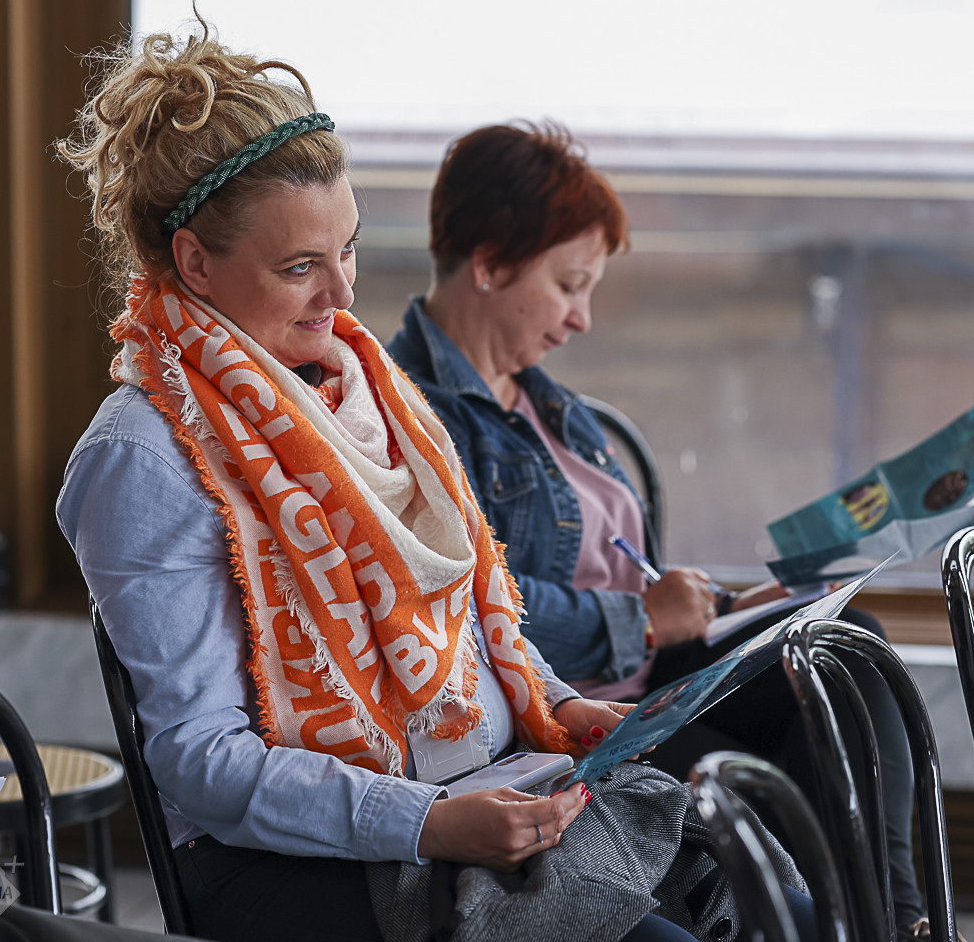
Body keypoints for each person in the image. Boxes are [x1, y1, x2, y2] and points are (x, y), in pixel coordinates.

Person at [53, 20, 812, 942]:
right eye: (300, 267)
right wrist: (428, 823)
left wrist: (556, 702)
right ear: (194, 263)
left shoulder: (365, 391)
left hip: (466, 788)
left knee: (779, 902)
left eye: (347, 249)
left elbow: (468, 628)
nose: (342, 294)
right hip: (280, 861)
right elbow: (203, 765)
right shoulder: (140, 455)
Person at [386, 122, 933, 938]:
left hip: (651, 664)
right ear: (490, 263)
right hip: (583, 707)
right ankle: (864, 924)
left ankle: (894, 920)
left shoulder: (549, 404)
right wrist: (644, 619)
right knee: (767, 764)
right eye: (570, 285)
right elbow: (463, 611)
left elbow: (614, 562)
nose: (582, 318)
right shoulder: (408, 418)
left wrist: (724, 606)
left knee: (846, 647)